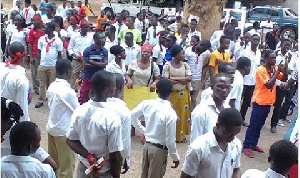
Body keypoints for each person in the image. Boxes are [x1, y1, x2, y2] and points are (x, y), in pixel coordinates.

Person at [66, 70, 123, 178]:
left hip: (84, 168)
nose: (115, 89)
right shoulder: (112, 119)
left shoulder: (80, 110)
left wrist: (89, 156)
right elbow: (115, 155)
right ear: (106, 89)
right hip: (103, 172)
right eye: (114, 86)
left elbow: (70, 140)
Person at [131, 78, 180, 178]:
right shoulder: (170, 113)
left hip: (147, 146)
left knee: (144, 175)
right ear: (171, 92)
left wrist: (144, 131)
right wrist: (175, 157)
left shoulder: (147, 104)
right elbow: (170, 140)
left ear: (157, 91)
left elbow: (132, 116)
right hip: (159, 150)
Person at [242, 50, 287, 158]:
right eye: (272, 58)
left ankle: (253, 144)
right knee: (253, 125)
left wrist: (284, 69)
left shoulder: (274, 68)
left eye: (275, 58)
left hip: (268, 102)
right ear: (265, 58)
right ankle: (246, 146)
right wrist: (277, 72)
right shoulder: (260, 70)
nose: (274, 60)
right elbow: (268, 84)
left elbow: (283, 78)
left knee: (260, 125)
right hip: (259, 102)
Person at [181, 108, 242, 178]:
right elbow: (186, 176)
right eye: (228, 133)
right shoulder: (198, 148)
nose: (232, 138)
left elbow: (236, 169)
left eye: (235, 134)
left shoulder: (236, 144)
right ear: (218, 125)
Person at [46, 59, 77, 177]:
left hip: (52, 128)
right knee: (66, 167)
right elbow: (77, 110)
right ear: (68, 72)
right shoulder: (67, 91)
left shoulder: (52, 86)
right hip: (63, 132)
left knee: (54, 163)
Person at [162, 45, 192, 143]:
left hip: (183, 94)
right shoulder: (167, 65)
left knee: (182, 115)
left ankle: (180, 136)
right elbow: (166, 80)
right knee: (171, 116)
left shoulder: (185, 65)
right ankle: (170, 136)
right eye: (182, 53)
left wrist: (173, 79)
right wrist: (182, 80)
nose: (184, 55)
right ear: (176, 55)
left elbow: (189, 78)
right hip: (171, 95)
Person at [191, 73, 231, 142]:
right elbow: (195, 141)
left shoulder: (227, 108)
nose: (224, 90)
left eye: (227, 87)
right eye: (220, 86)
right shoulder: (201, 111)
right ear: (212, 87)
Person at [106, 73, 131, 173]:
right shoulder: (124, 111)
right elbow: (125, 140)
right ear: (121, 88)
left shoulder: (96, 105)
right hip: (113, 158)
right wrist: (126, 159)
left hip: (92, 157)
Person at [35, 22, 63, 108]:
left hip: (53, 65)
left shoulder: (58, 41)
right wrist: (39, 63)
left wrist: (58, 66)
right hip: (43, 64)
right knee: (42, 83)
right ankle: (41, 99)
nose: (44, 29)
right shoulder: (42, 39)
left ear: (51, 29)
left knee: (52, 84)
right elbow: (39, 52)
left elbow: (59, 54)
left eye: (46, 28)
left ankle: (52, 100)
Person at [1, 41, 29, 121]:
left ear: (8, 53)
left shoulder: (1, 67)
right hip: (10, 120)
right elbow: (22, 109)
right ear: (23, 55)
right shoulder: (21, 79)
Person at [79, 32, 108, 104]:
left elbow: (104, 64)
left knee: (99, 97)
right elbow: (85, 65)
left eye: (104, 38)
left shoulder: (104, 51)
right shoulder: (87, 50)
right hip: (88, 77)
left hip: (100, 78)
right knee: (83, 96)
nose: (103, 40)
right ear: (95, 39)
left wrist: (91, 62)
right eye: (101, 38)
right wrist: (99, 64)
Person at [238, 34, 261, 126]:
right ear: (251, 40)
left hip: (252, 81)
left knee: (247, 102)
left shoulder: (258, 52)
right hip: (243, 80)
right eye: (254, 39)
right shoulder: (244, 52)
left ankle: (241, 118)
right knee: (238, 99)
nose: (256, 42)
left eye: (258, 40)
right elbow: (239, 65)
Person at [270, 39, 292, 133]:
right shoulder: (275, 53)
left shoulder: (290, 56)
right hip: (273, 82)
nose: (287, 47)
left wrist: (286, 67)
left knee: (278, 105)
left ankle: (274, 125)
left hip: (282, 83)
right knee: (266, 103)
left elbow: (289, 71)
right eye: (285, 45)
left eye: (289, 45)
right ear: (281, 44)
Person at [68, 20, 94, 88]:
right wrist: (76, 56)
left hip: (87, 61)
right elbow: (69, 48)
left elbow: (92, 48)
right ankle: (73, 92)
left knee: (85, 78)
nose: (88, 29)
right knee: (73, 77)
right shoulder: (75, 36)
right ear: (81, 28)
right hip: (76, 61)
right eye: (86, 27)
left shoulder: (91, 37)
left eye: (88, 27)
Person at [28, 14, 45, 95]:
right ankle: (36, 87)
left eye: (35, 20)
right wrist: (30, 56)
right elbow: (30, 44)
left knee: (42, 72)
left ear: (39, 20)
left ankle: (42, 87)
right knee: (34, 72)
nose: (33, 22)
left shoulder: (45, 30)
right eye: (33, 21)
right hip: (35, 54)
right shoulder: (32, 31)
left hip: (44, 54)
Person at [185, 35, 201, 110]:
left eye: (194, 42)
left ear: (198, 43)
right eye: (191, 41)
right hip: (187, 77)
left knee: (193, 99)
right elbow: (184, 62)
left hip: (197, 79)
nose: (192, 43)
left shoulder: (203, 52)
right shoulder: (188, 50)